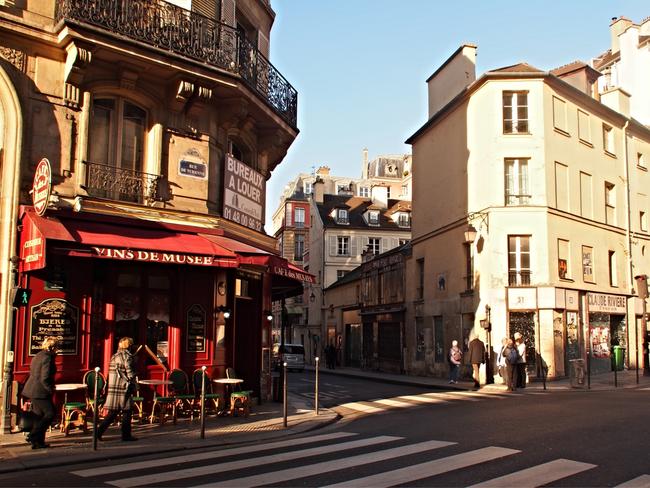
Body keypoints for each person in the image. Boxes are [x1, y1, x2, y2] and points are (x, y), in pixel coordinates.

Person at [95, 337, 138, 442]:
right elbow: (129, 372)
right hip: (124, 387)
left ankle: (98, 433)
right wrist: (134, 376)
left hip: (114, 387)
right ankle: (126, 435)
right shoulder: (127, 356)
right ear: (129, 346)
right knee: (127, 411)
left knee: (113, 412)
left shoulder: (115, 355)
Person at [22, 336, 58, 449]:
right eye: (56, 347)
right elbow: (44, 378)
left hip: (32, 389)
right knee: (50, 413)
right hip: (40, 391)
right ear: (53, 347)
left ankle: (38, 442)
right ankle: (33, 435)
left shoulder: (38, 355)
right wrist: (50, 389)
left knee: (39, 416)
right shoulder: (47, 358)